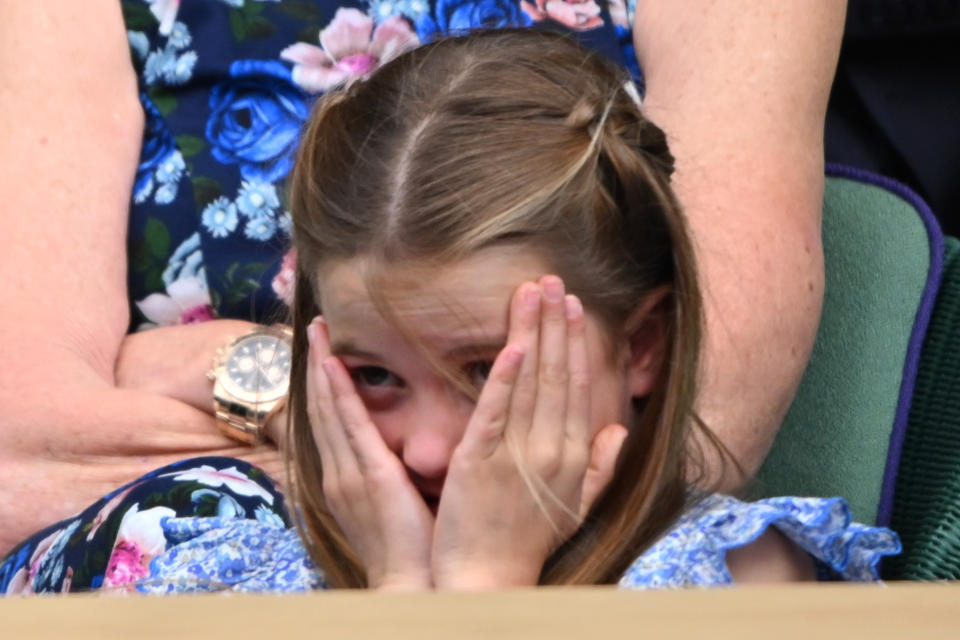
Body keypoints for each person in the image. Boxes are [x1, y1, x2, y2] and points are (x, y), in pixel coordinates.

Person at [0, 29, 898, 594]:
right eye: (373, 375)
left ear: (644, 347)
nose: (429, 451)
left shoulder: (738, 580)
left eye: (485, 369)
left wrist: (474, 588)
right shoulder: (204, 567)